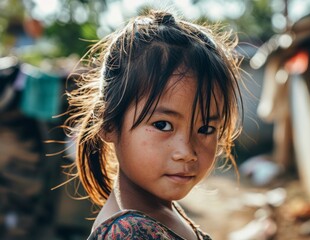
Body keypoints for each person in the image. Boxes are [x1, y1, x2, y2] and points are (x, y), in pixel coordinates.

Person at [65, 8, 243, 240]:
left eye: (205, 129)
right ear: (109, 123)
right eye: (162, 125)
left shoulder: (161, 213)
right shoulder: (131, 233)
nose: (186, 152)